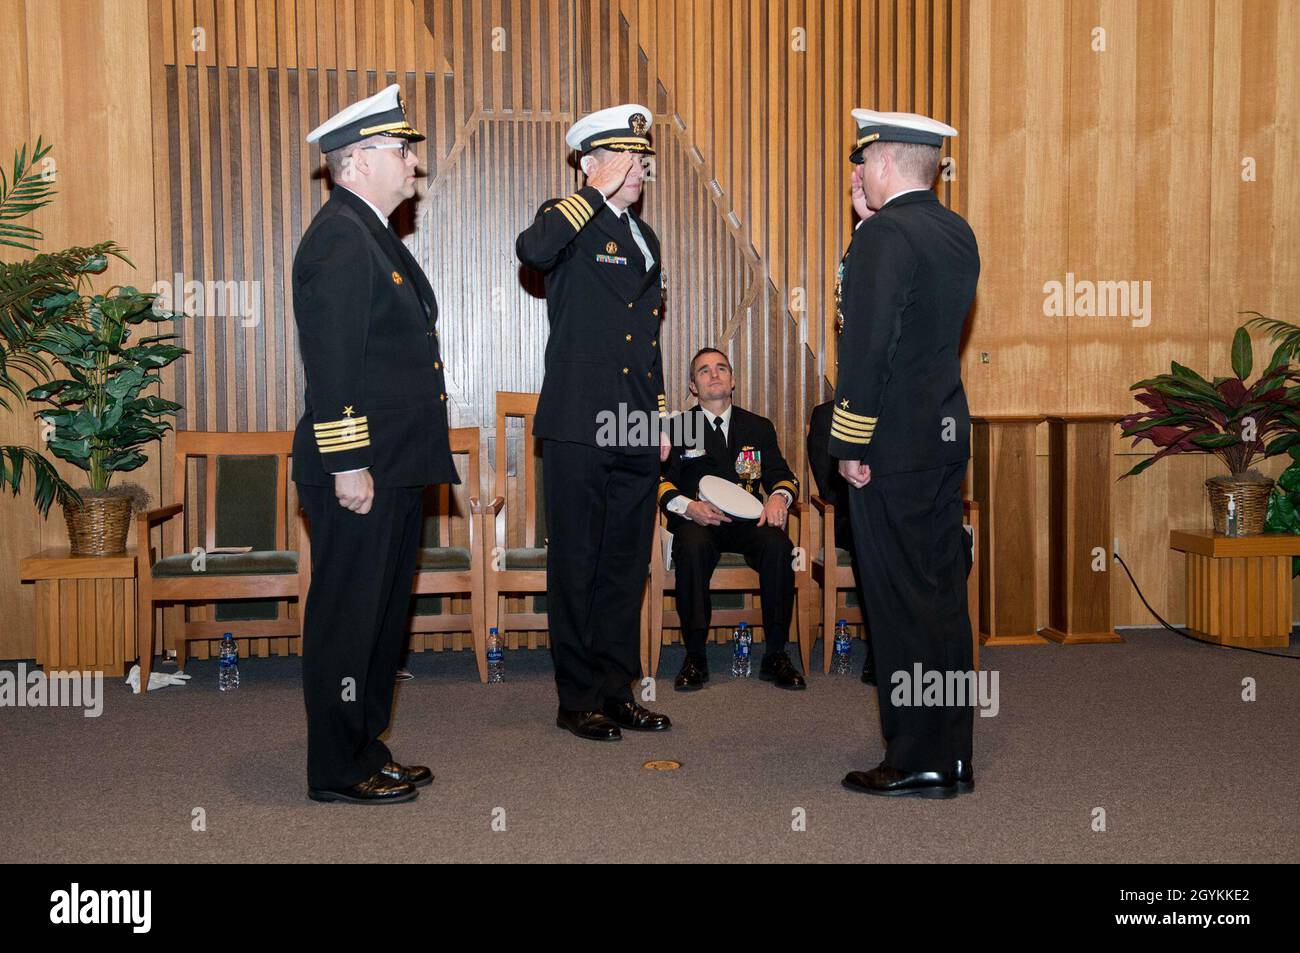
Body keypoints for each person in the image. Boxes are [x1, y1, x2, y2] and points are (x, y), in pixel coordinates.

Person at [293, 84, 457, 804]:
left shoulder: (369, 232)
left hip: (393, 464)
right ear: (356, 160)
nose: (415, 162)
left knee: (383, 619)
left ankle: (365, 744)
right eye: (402, 149)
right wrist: (349, 459)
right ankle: (336, 764)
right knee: (348, 618)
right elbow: (333, 361)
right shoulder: (338, 236)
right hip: (360, 466)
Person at [830, 109, 980, 799]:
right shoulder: (956, 232)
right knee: (942, 598)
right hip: (943, 437)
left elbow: (867, 346)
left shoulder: (884, 235)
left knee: (898, 607)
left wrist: (850, 441)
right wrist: (866, 232)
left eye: (862, 163)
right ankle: (951, 752)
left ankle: (914, 756)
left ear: (885, 165)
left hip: (890, 446)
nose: (855, 175)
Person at [515, 104, 672, 741]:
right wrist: (593, 191)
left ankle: (617, 690)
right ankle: (576, 696)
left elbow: (648, 340)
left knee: (624, 564)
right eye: (625, 157)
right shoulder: (566, 221)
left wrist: (660, 418)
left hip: (636, 425)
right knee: (577, 562)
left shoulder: (646, 239)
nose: (639, 167)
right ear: (590, 163)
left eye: (643, 157)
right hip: (580, 420)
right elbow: (532, 251)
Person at [659, 348, 804, 691]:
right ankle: (695, 657)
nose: (714, 374)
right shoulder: (677, 427)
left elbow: (784, 476)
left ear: (733, 379)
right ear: (693, 386)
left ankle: (776, 655)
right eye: (704, 371)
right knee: (691, 548)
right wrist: (688, 506)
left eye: (721, 368)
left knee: (779, 546)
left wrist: (778, 501)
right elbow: (660, 481)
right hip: (697, 520)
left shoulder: (758, 426)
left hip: (747, 522)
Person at [806, 399, 874, 684]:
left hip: (907, 511)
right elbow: (828, 485)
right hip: (853, 513)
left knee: (953, 540)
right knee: (870, 541)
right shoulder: (828, 415)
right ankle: (882, 650)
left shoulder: (906, 405)